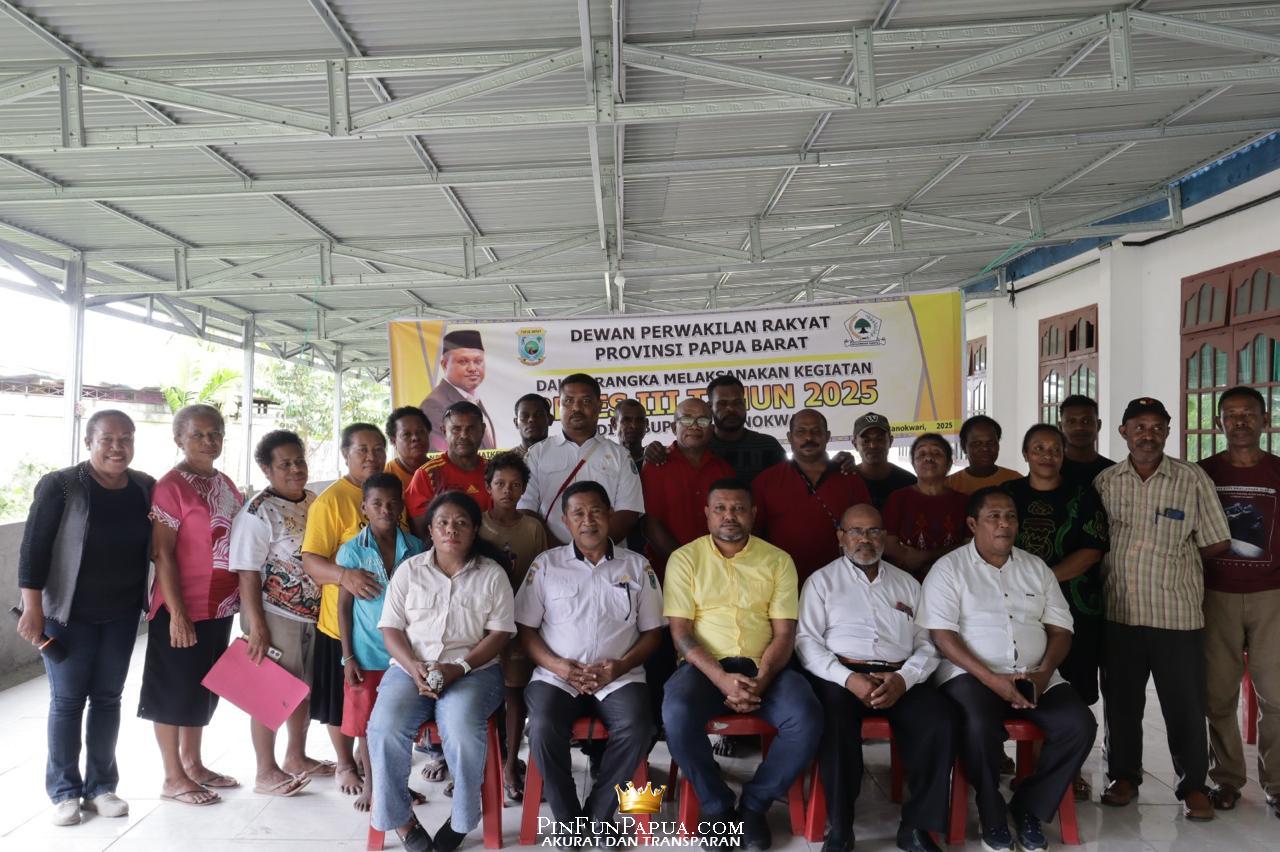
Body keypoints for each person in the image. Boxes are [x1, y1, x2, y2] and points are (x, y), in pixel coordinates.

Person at [918, 488, 1097, 852]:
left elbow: (1061, 630)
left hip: (1034, 674)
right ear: (973, 524)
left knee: (1079, 725)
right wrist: (992, 680)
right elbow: (942, 636)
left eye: (1011, 516)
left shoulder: (1036, 569)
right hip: (970, 676)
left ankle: (1028, 805)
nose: (1004, 524)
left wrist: (1043, 674)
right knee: (977, 725)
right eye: (994, 517)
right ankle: (990, 808)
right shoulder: (949, 569)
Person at [662, 478, 822, 850]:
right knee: (676, 712)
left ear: (753, 513)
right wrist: (721, 678)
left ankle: (754, 805)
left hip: (765, 666)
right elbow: (681, 633)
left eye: (738, 508)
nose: (729, 516)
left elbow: (784, 634)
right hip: (704, 668)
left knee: (806, 717)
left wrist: (762, 680)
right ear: (707, 513)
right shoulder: (685, 559)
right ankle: (716, 806)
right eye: (720, 508)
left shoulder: (777, 560)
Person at [1093, 397, 1230, 820]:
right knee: (1121, 703)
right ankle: (1123, 777)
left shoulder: (1192, 479)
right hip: (1120, 612)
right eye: (1139, 427)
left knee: (1184, 704)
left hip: (1177, 614)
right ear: (1124, 432)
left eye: (1157, 427)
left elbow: (1216, 540)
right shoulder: (1106, 482)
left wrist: (1172, 565)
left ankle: (1193, 785)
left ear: (1167, 432)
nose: (1148, 435)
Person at [16, 410, 154, 825]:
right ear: (89, 442)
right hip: (66, 614)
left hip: (121, 614)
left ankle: (101, 788)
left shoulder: (144, 487)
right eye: (107, 439)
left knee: (108, 699)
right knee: (68, 700)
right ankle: (64, 792)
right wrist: (33, 607)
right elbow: (33, 549)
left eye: (126, 439)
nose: (117, 447)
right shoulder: (62, 485)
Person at [796, 504, 953, 852]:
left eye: (874, 531)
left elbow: (928, 644)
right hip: (841, 676)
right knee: (833, 722)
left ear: (885, 537)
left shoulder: (908, 584)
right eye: (856, 531)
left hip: (899, 675)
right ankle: (841, 827)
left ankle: (917, 827)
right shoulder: (821, 582)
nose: (865, 539)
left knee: (939, 721)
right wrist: (848, 679)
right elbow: (806, 643)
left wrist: (904, 679)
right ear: (841, 537)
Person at [366, 492, 514, 852]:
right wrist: (413, 666)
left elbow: (500, 634)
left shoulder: (492, 574)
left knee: (461, 727)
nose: (451, 529)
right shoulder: (409, 570)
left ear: (475, 529)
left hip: (473, 672)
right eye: (443, 522)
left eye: (461, 523)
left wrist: (459, 668)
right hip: (410, 669)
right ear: (430, 530)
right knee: (384, 729)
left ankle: (462, 819)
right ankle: (402, 821)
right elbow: (390, 629)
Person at [517, 482, 664, 834]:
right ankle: (569, 821)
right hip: (556, 676)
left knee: (639, 727)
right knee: (541, 727)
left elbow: (653, 633)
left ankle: (599, 817)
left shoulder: (637, 566)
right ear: (565, 520)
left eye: (596, 511)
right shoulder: (546, 565)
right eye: (578, 513)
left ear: (610, 514)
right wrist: (558, 666)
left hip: (619, 676)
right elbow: (525, 630)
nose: (588, 520)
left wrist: (620, 666)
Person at [138, 404, 244, 805]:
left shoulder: (224, 482)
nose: (208, 441)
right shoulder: (171, 486)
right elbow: (162, 552)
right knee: (173, 690)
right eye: (197, 434)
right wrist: (177, 613)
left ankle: (193, 763)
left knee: (203, 686)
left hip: (220, 605)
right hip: (182, 606)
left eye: (215, 433)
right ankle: (172, 776)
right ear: (178, 438)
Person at [1002, 424, 1109, 800]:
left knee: (1072, 686)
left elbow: (1093, 549)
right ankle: (1030, 768)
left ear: (1063, 454)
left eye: (1054, 449)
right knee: (1024, 676)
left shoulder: (1083, 494)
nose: (1046, 455)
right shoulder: (1008, 494)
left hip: (1074, 602)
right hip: (1015, 604)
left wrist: (1044, 580)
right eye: (1038, 448)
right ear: (1025, 454)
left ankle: (1067, 769)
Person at [230, 430, 329, 799]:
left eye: (299, 461)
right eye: (285, 464)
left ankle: (296, 756)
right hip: (273, 615)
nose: (295, 469)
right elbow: (246, 572)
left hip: (310, 615)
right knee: (270, 693)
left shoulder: (313, 500)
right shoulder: (258, 512)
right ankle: (265, 771)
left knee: (302, 690)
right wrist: (257, 627)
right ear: (266, 469)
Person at [1196, 386, 1280, 815]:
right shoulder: (1203, 474)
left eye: (1249, 413)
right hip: (1216, 596)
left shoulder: (1278, 471)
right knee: (1218, 695)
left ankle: (1277, 783)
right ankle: (1227, 779)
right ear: (1219, 423)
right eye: (1231, 414)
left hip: (1272, 597)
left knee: (1276, 696)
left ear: (1265, 420)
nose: (1240, 421)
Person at [301, 422, 387, 797]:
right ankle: (345, 764)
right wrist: (344, 575)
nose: (371, 456)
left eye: (378, 449)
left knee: (375, 702)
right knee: (342, 701)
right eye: (362, 450)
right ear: (345, 454)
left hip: (383, 628)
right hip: (344, 625)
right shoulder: (331, 501)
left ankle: (374, 766)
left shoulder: (388, 493)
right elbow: (311, 560)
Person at [337, 473, 425, 812]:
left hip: (404, 653)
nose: (385, 509)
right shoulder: (352, 551)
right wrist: (348, 657)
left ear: (401, 506)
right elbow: (344, 607)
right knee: (366, 724)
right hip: (366, 652)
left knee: (398, 723)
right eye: (377, 503)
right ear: (364, 508)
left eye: (392, 503)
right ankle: (372, 784)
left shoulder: (416, 548)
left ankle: (398, 786)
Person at [479, 451, 550, 802]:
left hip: (522, 622)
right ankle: (485, 766)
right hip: (483, 623)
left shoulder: (533, 528)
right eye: (500, 484)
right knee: (486, 695)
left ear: (524, 489)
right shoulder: (476, 525)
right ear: (488, 487)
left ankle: (510, 765)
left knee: (515, 693)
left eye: (515, 485)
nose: (507, 491)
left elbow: (544, 575)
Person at [519, 373, 644, 546]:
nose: (576, 408)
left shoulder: (620, 455)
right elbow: (526, 509)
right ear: (559, 406)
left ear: (599, 406)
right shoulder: (537, 454)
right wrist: (562, 553)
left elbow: (628, 512)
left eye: (585, 401)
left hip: (609, 556)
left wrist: (595, 549)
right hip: (551, 555)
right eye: (568, 401)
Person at [752, 410, 872, 584]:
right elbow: (754, 536)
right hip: (782, 582)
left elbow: (868, 531)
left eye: (816, 431)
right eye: (801, 432)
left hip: (841, 582)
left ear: (827, 436)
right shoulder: (766, 481)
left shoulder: (850, 479)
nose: (809, 437)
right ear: (790, 437)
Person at [641, 397, 735, 577]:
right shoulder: (655, 466)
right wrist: (686, 564)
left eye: (703, 420)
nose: (695, 426)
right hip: (668, 571)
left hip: (716, 572)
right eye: (686, 419)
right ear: (673, 427)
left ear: (711, 429)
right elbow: (651, 526)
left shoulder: (724, 470)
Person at [645, 374, 786, 485]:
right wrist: (651, 451)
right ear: (710, 407)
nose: (731, 409)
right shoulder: (697, 443)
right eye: (722, 403)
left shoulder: (769, 445)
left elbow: (786, 486)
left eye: (737, 403)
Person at [882, 434, 970, 581]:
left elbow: (969, 546)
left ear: (949, 463)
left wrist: (924, 558)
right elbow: (888, 544)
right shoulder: (898, 498)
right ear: (913, 463)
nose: (928, 458)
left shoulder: (964, 501)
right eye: (921, 454)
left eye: (937, 453)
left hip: (952, 582)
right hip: (905, 582)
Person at [406, 401, 492, 539]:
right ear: (444, 431)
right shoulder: (427, 474)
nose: (463, 435)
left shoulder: (494, 471)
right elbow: (422, 532)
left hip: (492, 548)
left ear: (482, 430)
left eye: (470, 428)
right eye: (456, 429)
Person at [421, 329, 497, 452]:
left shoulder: (472, 398)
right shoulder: (434, 405)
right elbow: (440, 456)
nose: (473, 368)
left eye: (478, 361)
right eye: (463, 361)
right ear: (444, 365)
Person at [851, 412, 916, 510]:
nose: (873, 446)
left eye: (880, 439)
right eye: (866, 441)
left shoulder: (909, 482)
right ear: (855, 444)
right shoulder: (847, 483)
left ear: (890, 441)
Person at [945, 416, 1020, 494]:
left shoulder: (1016, 481)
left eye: (991, 443)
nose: (985, 448)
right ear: (963, 446)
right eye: (977, 443)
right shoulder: (948, 485)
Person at [1058, 395, 1114, 487]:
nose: (1079, 427)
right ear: (1060, 427)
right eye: (1071, 422)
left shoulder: (1113, 472)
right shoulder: (1050, 469)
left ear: (1098, 425)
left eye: (1086, 421)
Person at [385, 406, 433, 492]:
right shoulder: (385, 474)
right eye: (406, 434)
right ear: (393, 441)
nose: (415, 438)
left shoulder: (441, 470)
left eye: (420, 432)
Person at [612, 398, 650, 468]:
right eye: (626, 420)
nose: (634, 426)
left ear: (646, 424)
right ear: (614, 423)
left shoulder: (656, 460)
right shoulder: (604, 462)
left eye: (639, 420)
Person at [513, 393, 552, 459]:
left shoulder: (565, 454)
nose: (531, 419)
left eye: (539, 415)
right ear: (516, 423)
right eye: (524, 416)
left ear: (550, 420)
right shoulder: (505, 461)